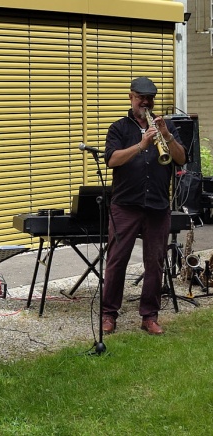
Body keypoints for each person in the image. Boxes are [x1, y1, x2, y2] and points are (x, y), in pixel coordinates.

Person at [101, 77, 187, 335]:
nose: (146, 103)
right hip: (126, 205)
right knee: (117, 260)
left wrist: (167, 135)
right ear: (131, 97)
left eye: (150, 98)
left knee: (155, 262)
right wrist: (141, 145)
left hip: (158, 206)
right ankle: (109, 314)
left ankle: (149, 316)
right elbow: (112, 160)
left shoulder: (166, 127)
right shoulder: (118, 128)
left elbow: (181, 158)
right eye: (141, 98)